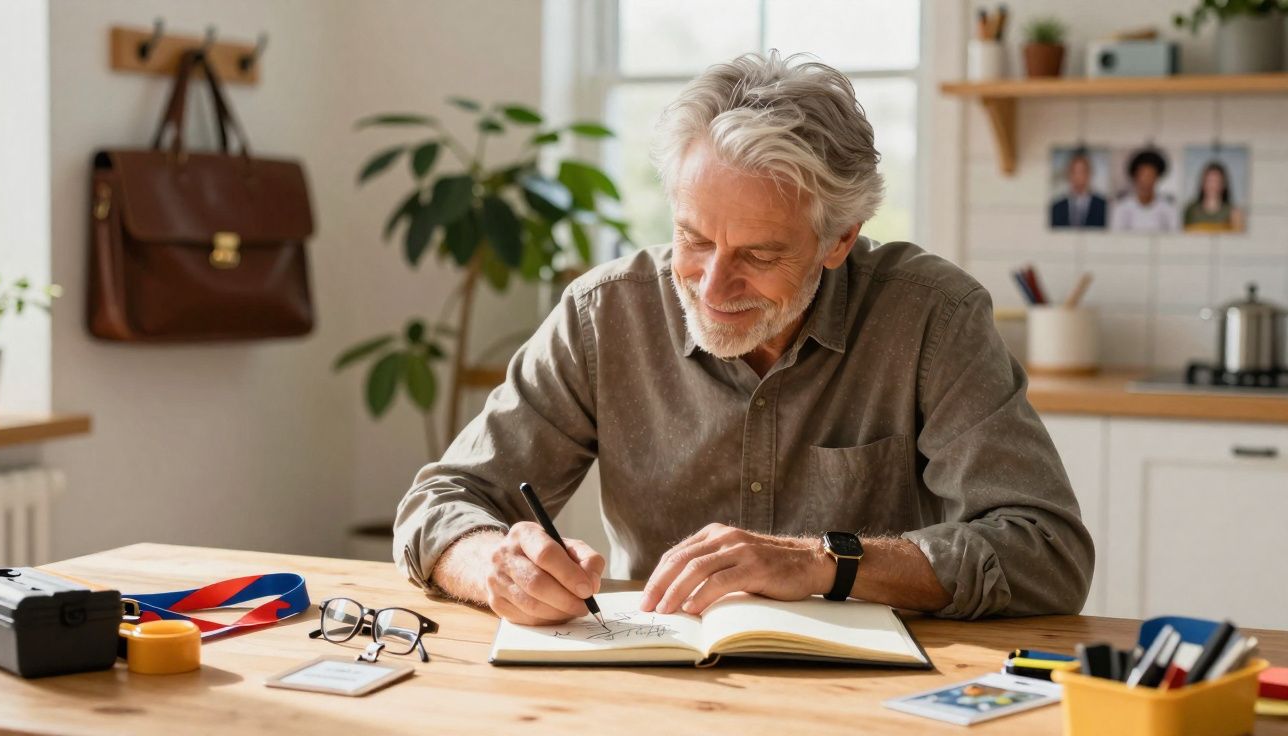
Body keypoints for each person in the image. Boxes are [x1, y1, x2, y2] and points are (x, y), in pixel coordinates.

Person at [394, 51, 1093, 625]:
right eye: (694, 239)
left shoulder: (932, 317)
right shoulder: (603, 315)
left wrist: (825, 561)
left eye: (759, 256)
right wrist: (495, 566)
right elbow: (437, 505)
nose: (711, 285)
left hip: (872, 697)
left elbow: (1048, 551)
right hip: (652, 686)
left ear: (839, 239)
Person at [1111, 148, 1179, 232]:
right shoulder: (1121, 207)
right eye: (1143, 175)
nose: (1146, 181)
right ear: (1135, 177)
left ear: (1157, 177)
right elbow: (1115, 239)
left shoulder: (1168, 208)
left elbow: (1175, 238)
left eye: (1150, 175)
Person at [1050, 150, 1107, 229]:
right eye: (1074, 172)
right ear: (1068, 174)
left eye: (1082, 171)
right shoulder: (1056, 207)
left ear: (1089, 174)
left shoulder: (1103, 205)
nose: (1078, 176)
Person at [1183, 161, 1244, 233]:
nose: (1212, 186)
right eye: (1209, 180)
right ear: (1202, 183)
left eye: (1217, 181)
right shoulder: (1191, 211)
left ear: (1223, 185)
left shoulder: (1234, 213)